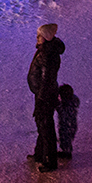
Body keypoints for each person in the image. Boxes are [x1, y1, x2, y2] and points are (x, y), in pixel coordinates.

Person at [26, 22, 65, 172]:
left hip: (45, 95)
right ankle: (40, 154)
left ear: (46, 37)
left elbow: (46, 78)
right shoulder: (45, 50)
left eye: (39, 36)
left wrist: (42, 98)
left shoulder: (47, 54)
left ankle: (49, 160)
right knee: (42, 124)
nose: (37, 38)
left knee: (45, 125)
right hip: (44, 94)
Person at [56, 83, 79, 161]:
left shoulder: (67, 104)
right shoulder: (73, 102)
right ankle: (66, 151)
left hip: (66, 124)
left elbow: (62, 112)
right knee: (67, 138)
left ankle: (66, 153)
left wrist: (57, 105)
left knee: (65, 137)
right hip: (71, 124)